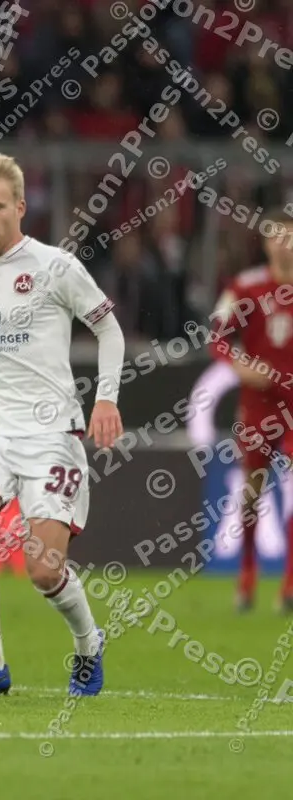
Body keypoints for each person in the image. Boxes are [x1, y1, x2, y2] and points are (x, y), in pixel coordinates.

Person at [0, 153, 125, 697]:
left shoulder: (55, 266)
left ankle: (88, 643)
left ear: (19, 206)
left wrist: (106, 400)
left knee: (43, 571)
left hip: (51, 433)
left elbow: (110, 331)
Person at [209, 209, 293, 613]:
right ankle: (247, 575)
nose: (283, 243)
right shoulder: (247, 287)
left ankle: (289, 585)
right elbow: (218, 337)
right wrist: (241, 365)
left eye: (289, 236)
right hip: (258, 405)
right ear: (265, 242)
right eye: (277, 236)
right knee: (252, 491)